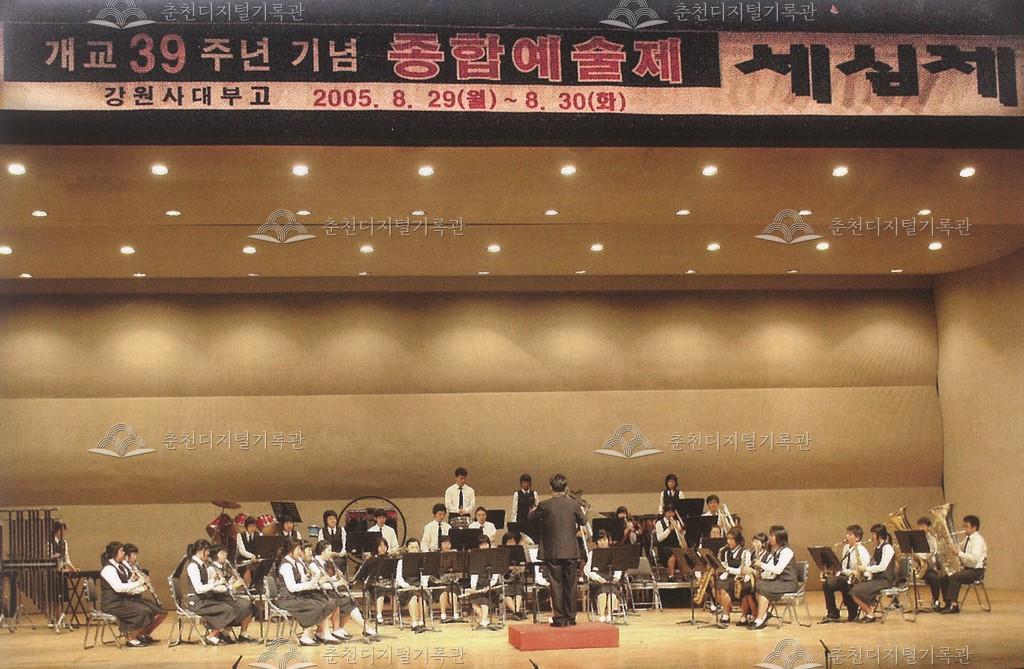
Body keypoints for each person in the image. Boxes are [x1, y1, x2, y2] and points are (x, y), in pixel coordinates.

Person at [528, 473, 587, 628]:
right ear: (565, 487)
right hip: (571, 551)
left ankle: (559, 618)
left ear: (551, 488)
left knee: (556, 584)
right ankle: (571, 617)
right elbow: (583, 521)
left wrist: (533, 509)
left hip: (553, 551)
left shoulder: (545, 505)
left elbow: (530, 518)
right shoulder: (574, 504)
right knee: (571, 585)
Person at [179, 539, 256, 645]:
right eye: (207, 551)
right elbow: (198, 589)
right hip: (197, 601)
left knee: (232, 606)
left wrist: (217, 582)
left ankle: (223, 634)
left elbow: (206, 584)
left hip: (204, 598)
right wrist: (216, 583)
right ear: (201, 550)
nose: (209, 554)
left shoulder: (201, 564)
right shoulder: (193, 566)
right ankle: (211, 636)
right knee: (227, 609)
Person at [99, 541, 166, 647]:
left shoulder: (120, 566)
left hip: (123, 600)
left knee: (156, 610)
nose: (124, 553)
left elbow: (126, 586)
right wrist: (139, 583)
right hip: (112, 603)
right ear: (115, 553)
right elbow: (119, 588)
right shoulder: (108, 569)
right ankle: (131, 638)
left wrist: (137, 585)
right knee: (144, 611)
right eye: (122, 551)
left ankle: (141, 634)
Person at [274, 538, 338, 646]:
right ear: (290, 550)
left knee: (324, 602)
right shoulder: (286, 565)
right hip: (287, 599)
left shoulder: (294, 562)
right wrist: (311, 584)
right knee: (316, 606)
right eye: (298, 549)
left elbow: (300, 580)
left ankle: (314, 634)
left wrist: (311, 578)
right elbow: (292, 588)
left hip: (296, 596)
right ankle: (306, 636)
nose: (300, 552)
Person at [308, 540, 372, 640]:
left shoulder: (326, 563)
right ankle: (362, 628)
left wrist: (336, 578)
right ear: (322, 551)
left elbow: (328, 580)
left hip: (328, 591)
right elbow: (320, 584)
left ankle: (341, 628)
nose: (331, 553)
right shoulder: (314, 565)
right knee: (344, 602)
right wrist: (337, 583)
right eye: (329, 550)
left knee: (350, 601)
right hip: (319, 594)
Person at [750, 526, 799, 630]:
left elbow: (778, 570)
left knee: (763, 588)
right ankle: (763, 615)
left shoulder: (786, 551)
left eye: (772, 535)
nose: (769, 538)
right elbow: (771, 569)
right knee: (758, 585)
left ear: (779, 537)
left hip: (788, 583)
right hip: (779, 581)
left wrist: (761, 564)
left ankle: (760, 619)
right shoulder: (776, 551)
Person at [821, 525, 871, 624]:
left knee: (843, 582)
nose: (846, 536)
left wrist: (848, 572)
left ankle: (852, 611)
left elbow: (864, 570)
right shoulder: (846, 548)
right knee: (827, 583)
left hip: (857, 579)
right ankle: (832, 612)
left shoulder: (861, 551)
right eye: (846, 534)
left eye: (850, 534)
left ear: (857, 538)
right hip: (846, 576)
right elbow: (843, 566)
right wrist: (837, 571)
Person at [939, 514, 988, 614]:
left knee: (955, 577)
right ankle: (948, 603)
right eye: (964, 526)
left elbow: (974, 559)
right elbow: (958, 546)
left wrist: (959, 553)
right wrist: (947, 542)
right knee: (945, 575)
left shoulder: (978, 540)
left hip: (976, 571)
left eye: (966, 526)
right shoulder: (968, 539)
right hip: (967, 569)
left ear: (974, 528)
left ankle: (954, 605)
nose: (964, 529)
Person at [850, 524, 897, 623]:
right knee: (855, 588)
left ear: (880, 536)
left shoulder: (887, 548)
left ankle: (869, 614)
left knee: (855, 591)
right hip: (877, 579)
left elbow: (883, 567)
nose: (871, 537)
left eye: (873, 535)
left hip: (885, 580)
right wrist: (867, 574)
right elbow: (875, 564)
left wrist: (866, 568)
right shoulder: (878, 548)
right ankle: (868, 612)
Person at [583, 530, 621, 623]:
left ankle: (609, 615)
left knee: (612, 593)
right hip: (598, 581)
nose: (603, 542)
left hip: (611, 580)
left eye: (604, 539)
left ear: (608, 540)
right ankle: (602, 615)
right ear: (597, 542)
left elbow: (619, 568)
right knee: (602, 593)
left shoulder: (614, 553)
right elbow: (587, 570)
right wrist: (598, 578)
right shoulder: (592, 554)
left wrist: (616, 577)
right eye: (600, 540)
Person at [714, 529, 750, 627]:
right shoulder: (726, 552)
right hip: (730, 577)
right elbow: (725, 566)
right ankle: (726, 614)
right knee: (720, 585)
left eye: (731, 539)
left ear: (737, 540)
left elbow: (743, 570)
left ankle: (744, 616)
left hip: (741, 577)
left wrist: (728, 569)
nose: (728, 541)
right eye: (728, 539)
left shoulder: (745, 553)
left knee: (745, 588)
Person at [466, 536, 502, 630]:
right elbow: (474, 574)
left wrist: (489, 586)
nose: (484, 546)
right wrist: (473, 587)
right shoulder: (476, 558)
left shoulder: (495, 557)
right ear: (479, 546)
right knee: (474, 603)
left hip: (492, 586)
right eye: (482, 545)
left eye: (486, 544)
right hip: (479, 585)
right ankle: (485, 620)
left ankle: (483, 621)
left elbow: (495, 575)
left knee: (483, 598)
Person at [395, 539, 429, 633]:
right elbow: (399, 578)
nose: (414, 550)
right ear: (407, 548)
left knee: (422, 597)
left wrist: (423, 585)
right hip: (405, 588)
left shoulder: (422, 561)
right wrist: (407, 586)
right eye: (412, 547)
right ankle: (414, 623)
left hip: (418, 586)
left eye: (416, 548)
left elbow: (424, 576)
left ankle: (421, 622)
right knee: (413, 597)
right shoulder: (401, 561)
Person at [915, 516, 942, 609]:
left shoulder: (932, 540)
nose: (920, 528)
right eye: (919, 526)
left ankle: (936, 600)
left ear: (928, 528)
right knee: (898, 575)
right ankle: (895, 602)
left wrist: (916, 555)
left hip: (928, 568)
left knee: (934, 577)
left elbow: (928, 555)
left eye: (923, 526)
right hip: (917, 568)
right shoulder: (914, 539)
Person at [654, 504, 685, 580]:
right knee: (674, 553)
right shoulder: (659, 523)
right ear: (665, 513)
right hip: (664, 547)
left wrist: (680, 532)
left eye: (672, 512)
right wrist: (669, 529)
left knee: (679, 552)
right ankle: (671, 575)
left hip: (675, 546)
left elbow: (680, 538)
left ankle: (683, 575)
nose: (670, 514)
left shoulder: (676, 522)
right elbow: (659, 538)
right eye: (668, 512)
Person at [501, 533, 528, 620]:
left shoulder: (519, 551)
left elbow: (523, 565)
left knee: (519, 592)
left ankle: (516, 612)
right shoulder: (501, 552)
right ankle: (516, 612)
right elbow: (499, 566)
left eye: (513, 542)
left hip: (517, 577)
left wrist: (520, 569)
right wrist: (510, 568)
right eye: (509, 542)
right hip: (506, 578)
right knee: (506, 594)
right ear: (505, 543)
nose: (512, 544)